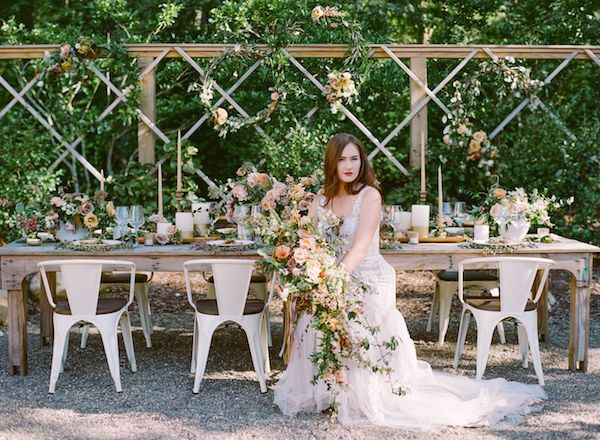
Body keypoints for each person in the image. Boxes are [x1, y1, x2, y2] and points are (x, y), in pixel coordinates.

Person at [273, 133, 546, 429]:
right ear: (332, 163)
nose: (349, 165)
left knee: (357, 323)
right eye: (342, 159)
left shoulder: (370, 196)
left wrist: (332, 283)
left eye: (354, 158)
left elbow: (360, 247)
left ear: (362, 160)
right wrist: (309, 274)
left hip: (365, 278)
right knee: (315, 318)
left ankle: (366, 392)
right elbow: (310, 241)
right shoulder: (322, 199)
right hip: (333, 277)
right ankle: (327, 389)